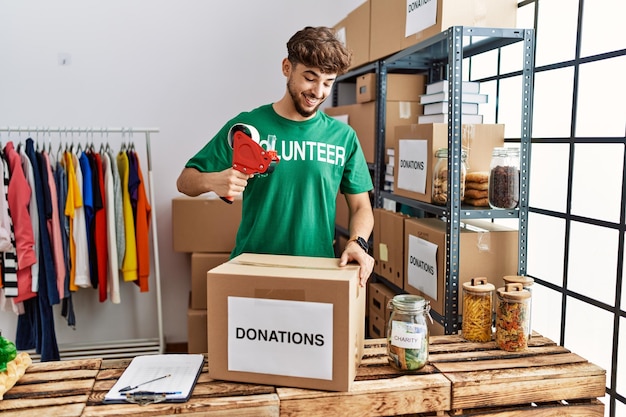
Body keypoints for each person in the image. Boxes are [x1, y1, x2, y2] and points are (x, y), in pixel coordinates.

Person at [176, 26, 374, 287]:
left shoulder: (343, 137)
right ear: (286, 68)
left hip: (316, 274)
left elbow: (361, 207)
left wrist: (357, 241)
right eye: (310, 78)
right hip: (252, 270)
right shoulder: (247, 127)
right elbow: (185, 181)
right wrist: (213, 181)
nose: (318, 91)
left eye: (328, 82)